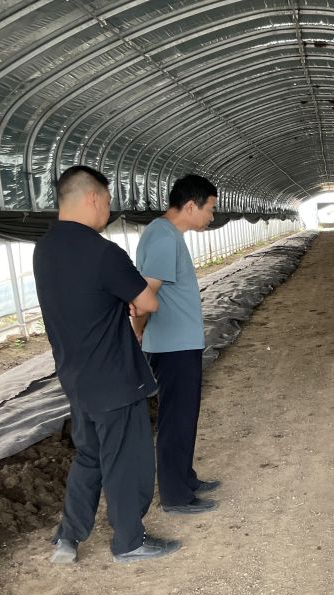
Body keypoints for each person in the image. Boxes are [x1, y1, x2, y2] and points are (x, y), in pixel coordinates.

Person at [33, 165, 180, 564]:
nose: (109, 210)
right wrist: (129, 300)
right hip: (114, 376)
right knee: (126, 460)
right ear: (93, 198)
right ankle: (129, 541)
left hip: (75, 376)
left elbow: (82, 299)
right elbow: (148, 302)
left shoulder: (44, 249)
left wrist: (117, 299)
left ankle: (68, 537)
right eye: (108, 201)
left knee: (90, 455)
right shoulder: (102, 252)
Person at [131, 175, 220, 515]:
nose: (211, 217)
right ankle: (175, 496)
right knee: (175, 419)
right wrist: (137, 331)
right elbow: (144, 296)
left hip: (179, 343)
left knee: (185, 416)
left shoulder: (167, 235)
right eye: (209, 209)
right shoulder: (164, 238)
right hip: (171, 347)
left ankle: (185, 478)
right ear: (190, 206)